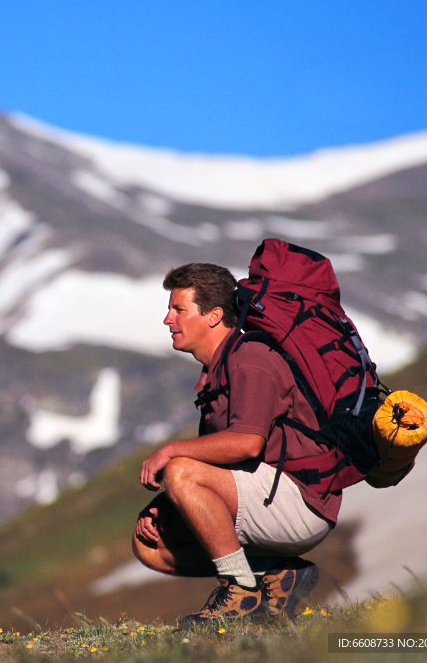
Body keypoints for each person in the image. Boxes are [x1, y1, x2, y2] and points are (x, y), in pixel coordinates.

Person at [132, 263, 334, 624]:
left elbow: (247, 445)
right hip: (263, 495)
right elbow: (219, 463)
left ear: (214, 316)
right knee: (149, 545)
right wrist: (166, 505)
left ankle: (241, 591)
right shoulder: (218, 370)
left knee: (179, 470)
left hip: (300, 503)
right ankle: (275, 573)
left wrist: (169, 450)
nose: (168, 319)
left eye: (179, 310)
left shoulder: (250, 359)